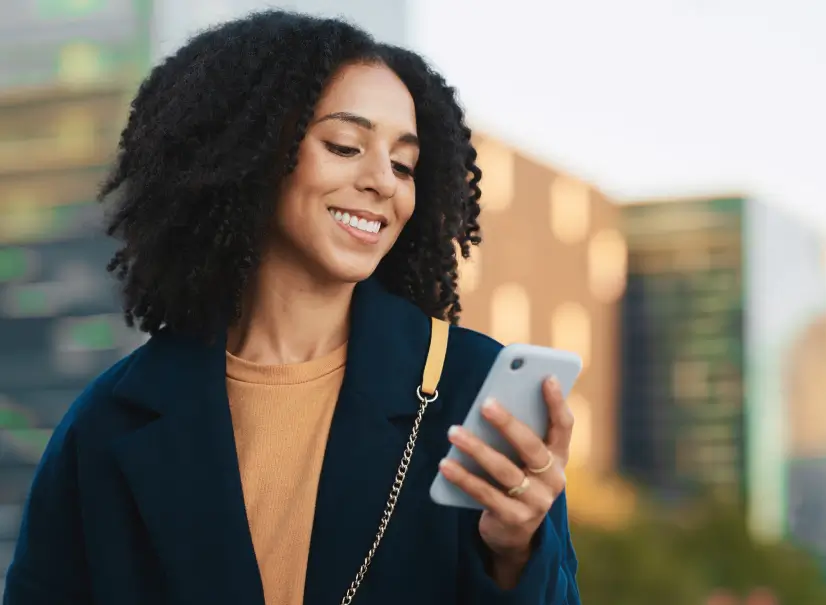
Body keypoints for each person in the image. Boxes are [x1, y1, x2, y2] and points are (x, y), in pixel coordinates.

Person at [4, 10, 582, 605]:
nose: (383, 181)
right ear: (247, 151)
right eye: (345, 145)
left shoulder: (473, 393)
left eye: (404, 164)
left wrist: (516, 555)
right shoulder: (109, 421)